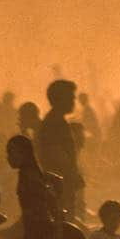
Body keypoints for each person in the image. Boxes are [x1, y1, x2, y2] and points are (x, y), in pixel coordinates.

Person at [34, 79, 84, 218]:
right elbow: (55, 153)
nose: (74, 100)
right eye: (71, 97)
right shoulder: (54, 122)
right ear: (60, 99)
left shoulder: (56, 120)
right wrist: (72, 174)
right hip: (60, 183)